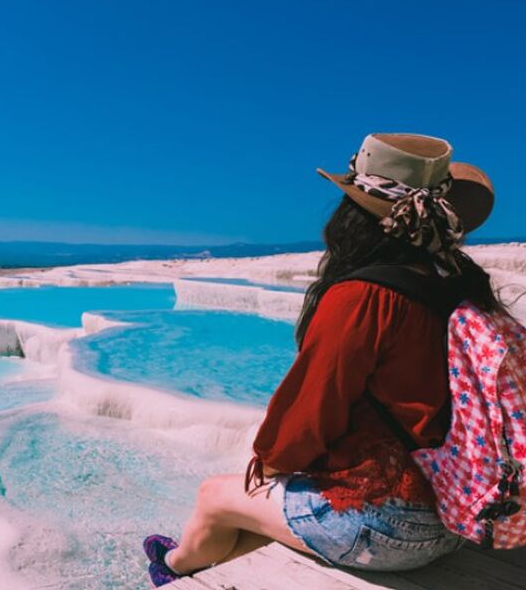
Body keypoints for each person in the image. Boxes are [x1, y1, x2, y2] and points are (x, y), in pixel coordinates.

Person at [143, 133, 503, 586]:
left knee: (215, 496)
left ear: (355, 217)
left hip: (388, 527)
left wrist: (270, 464)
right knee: (262, 510)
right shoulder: (461, 287)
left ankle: (170, 570)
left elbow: (310, 413)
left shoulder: (365, 296)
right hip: (460, 515)